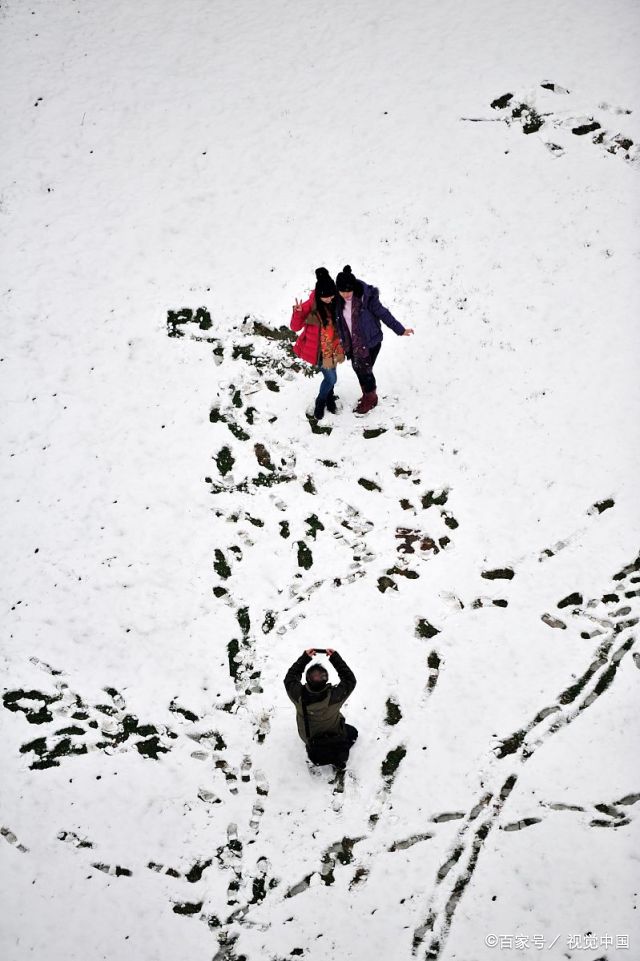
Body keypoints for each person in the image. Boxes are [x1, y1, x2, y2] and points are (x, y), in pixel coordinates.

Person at [334, 265, 414, 414]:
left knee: (364, 371)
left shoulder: (367, 297)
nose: (345, 295)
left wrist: (400, 329)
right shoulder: (337, 301)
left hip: (370, 342)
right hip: (352, 343)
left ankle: (371, 398)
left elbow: (383, 313)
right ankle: (367, 395)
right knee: (358, 368)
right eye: (342, 291)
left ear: (354, 288)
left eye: (348, 291)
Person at [284, 648, 358, 769]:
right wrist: (335, 658)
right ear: (326, 680)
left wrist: (304, 658)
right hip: (334, 733)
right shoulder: (335, 696)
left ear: (307, 679)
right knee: (353, 733)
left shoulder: (297, 695)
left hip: (309, 738)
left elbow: (290, 678)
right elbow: (349, 680)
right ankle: (337, 757)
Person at [290, 268, 345, 420]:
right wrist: (298, 313)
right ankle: (320, 401)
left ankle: (329, 397)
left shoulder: (336, 302)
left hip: (334, 347)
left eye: (331, 295)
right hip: (319, 351)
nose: (329, 299)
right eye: (325, 297)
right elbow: (295, 328)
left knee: (331, 375)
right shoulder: (310, 305)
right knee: (331, 378)